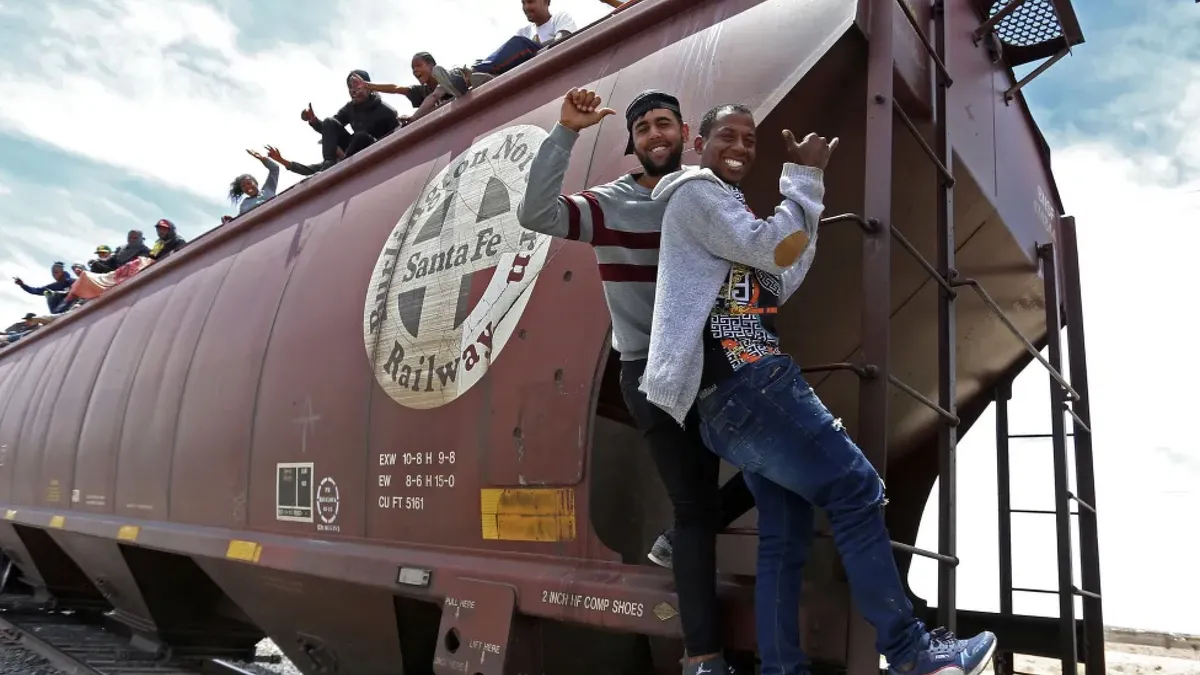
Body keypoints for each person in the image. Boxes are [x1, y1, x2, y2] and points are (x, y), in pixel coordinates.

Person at [641, 104, 998, 675]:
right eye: (727, 135)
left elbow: (783, 271)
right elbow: (772, 247)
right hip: (748, 379)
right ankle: (913, 655)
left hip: (731, 396)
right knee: (856, 489)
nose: (740, 146)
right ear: (699, 143)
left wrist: (806, 198)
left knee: (784, 538)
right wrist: (805, 178)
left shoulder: (732, 210)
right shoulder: (697, 194)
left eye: (749, 139)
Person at [516, 87, 754, 675]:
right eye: (643, 128)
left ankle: (681, 535)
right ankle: (704, 660)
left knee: (785, 461)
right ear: (634, 142)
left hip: (714, 359)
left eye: (664, 124)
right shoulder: (610, 204)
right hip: (649, 371)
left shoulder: (704, 191)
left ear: (684, 134)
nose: (655, 135)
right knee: (694, 508)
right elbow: (535, 215)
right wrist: (566, 132)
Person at [300, 70, 401, 170]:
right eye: (350, 87)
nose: (353, 90)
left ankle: (343, 166)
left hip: (375, 148)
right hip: (352, 150)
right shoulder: (350, 108)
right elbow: (330, 131)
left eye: (356, 85)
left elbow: (398, 133)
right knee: (329, 121)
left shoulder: (386, 111)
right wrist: (314, 121)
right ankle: (328, 164)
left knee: (361, 136)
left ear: (369, 86)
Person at [350, 54, 468, 124]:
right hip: (454, 118)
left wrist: (414, 117)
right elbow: (396, 88)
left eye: (419, 65)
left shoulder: (442, 79)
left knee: (450, 78)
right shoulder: (421, 91)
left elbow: (434, 96)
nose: (415, 70)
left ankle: (464, 80)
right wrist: (368, 85)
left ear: (431, 65)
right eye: (413, 68)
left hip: (459, 86)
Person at [229, 149, 281, 216]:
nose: (247, 187)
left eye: (249, 183)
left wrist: (262, 159)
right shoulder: (244, 204)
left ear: (256, 183)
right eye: (243, 186)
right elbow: (241, 218)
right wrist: (230, 219)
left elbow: (275, 169)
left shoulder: (268, 189)